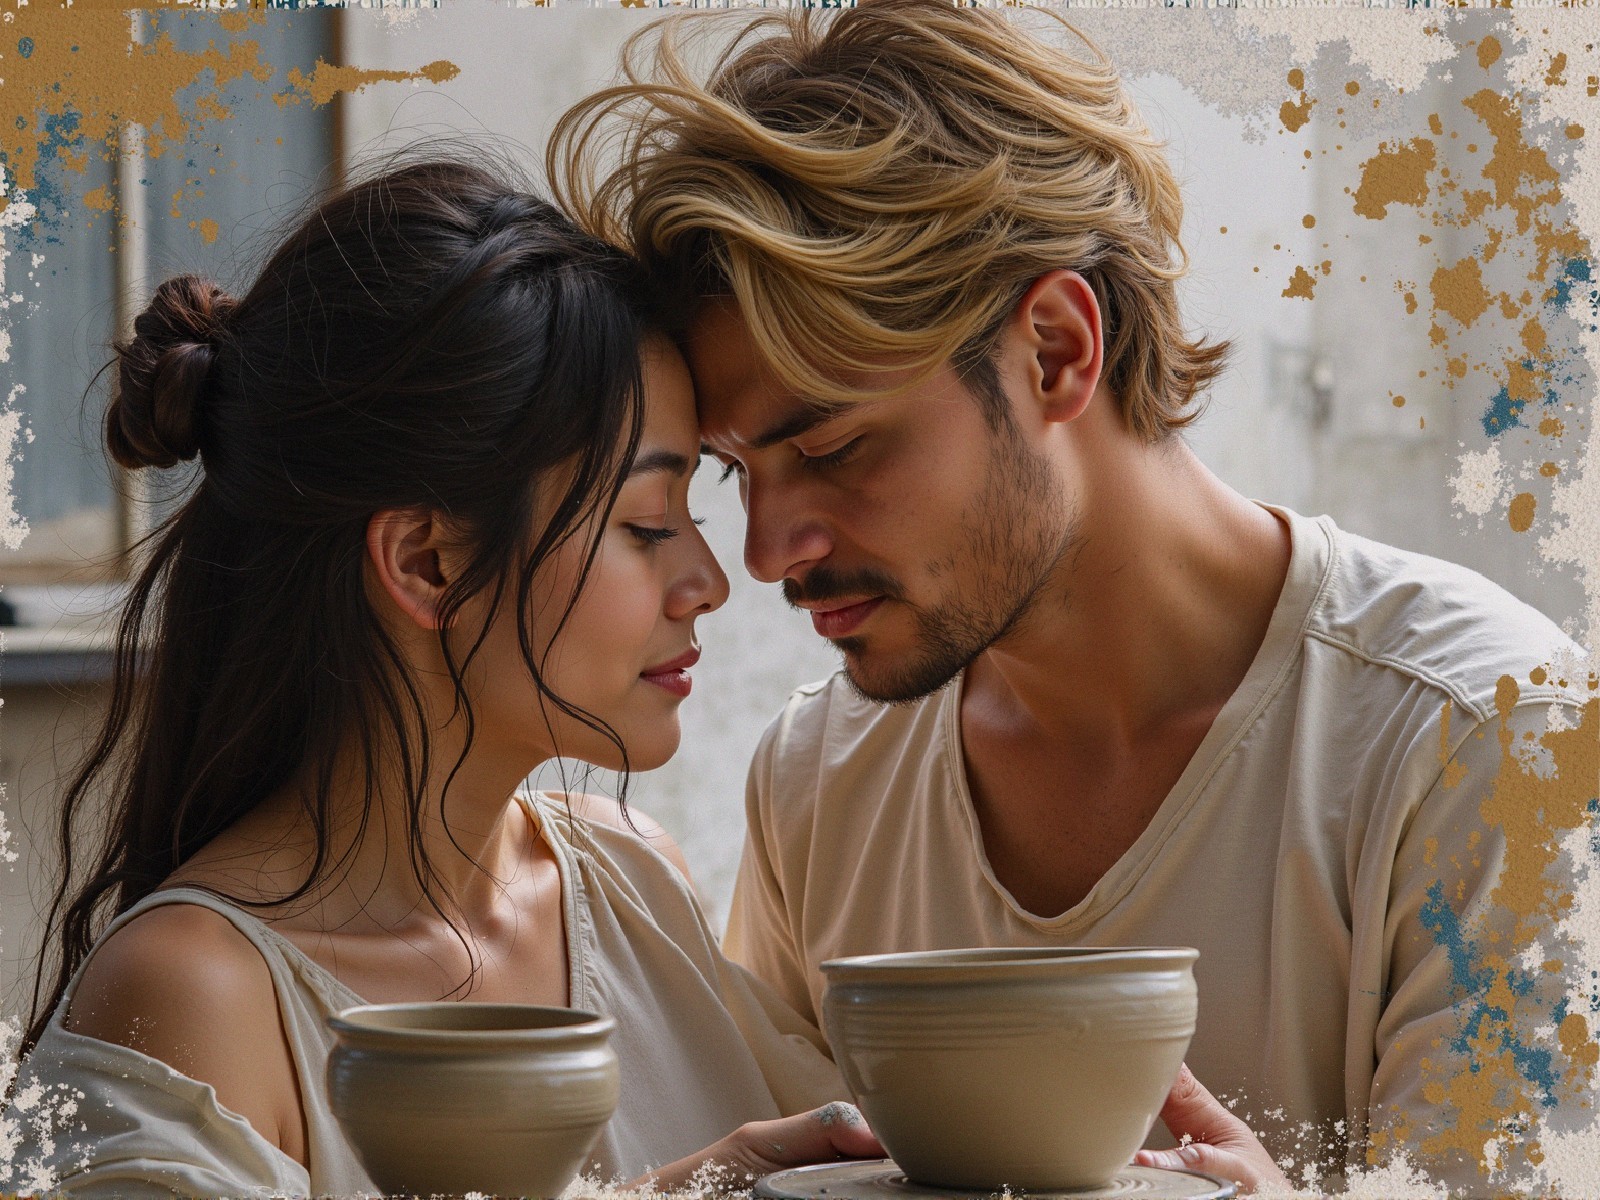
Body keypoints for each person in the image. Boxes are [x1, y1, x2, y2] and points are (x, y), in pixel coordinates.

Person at [552, 4, 1599, 1195]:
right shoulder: (818, 784)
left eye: (834, 449)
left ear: (1054, 349)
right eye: (741, 473)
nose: (765, 551)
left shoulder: (1489, 740)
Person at [5, 157, 882, 1198]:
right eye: (647, 524)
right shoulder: (198, 997)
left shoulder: (631, 880)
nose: (709, 580)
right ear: (426, 562)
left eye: (696, 509)